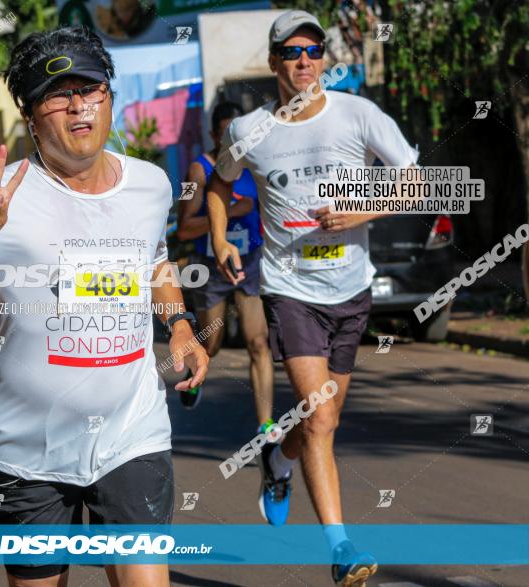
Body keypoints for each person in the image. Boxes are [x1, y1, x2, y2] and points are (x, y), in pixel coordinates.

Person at [0, 26, 209, 587]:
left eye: (90, 88)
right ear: (29, 115)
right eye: (56, 93)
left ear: (110, 96)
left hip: (131, 436)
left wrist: (181, 326)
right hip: (26, 454)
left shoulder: (150, 185)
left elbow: (156, 263)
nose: (78, 106)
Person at [208, 10, 419, 586]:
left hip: (350, 290)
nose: (304, 60)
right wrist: (221, 236)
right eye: (292, 51)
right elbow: (220, 183)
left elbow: (415, 178)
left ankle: (277, 459)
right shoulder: (249, 130)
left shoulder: (359, 115)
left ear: (324, 58)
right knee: (320, 415)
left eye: (314, 50)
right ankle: (342, 548)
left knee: (321, 421)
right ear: (275, 62)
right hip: (288, 289)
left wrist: (362, 210)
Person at [176, 102, 275, 433]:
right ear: (214, 135)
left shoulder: (257, 162)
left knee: (259, 342)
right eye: (225, 135)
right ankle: (195, 373)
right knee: (212, 343)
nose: (233, 142)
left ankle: (265, 425)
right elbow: (185, 228)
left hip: (249, 263)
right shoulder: (198, 170)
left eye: (238, 135)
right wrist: (230, 213)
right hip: (213, 266)